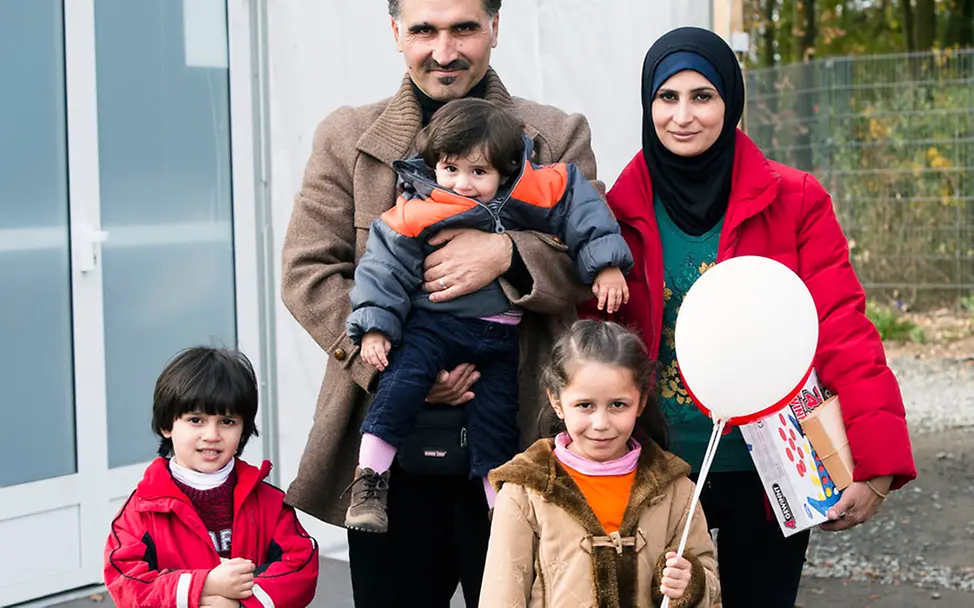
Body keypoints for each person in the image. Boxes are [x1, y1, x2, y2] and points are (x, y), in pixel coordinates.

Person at [580, 26, 917, 608]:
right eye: (667, 97)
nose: (683, 115)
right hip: (652, 467)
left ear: (731, 103)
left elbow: (841, 327)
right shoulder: (613, 214)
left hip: (771, 471)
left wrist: (877, 463)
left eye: (702, 96)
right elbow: (589, 348)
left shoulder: (796, 200)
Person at [281, 0, 603, 604]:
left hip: (519, 445)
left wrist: (505, 253)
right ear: (396, 32)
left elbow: (588, 262)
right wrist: (397, 364)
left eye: (464, 28)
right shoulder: (345, 138)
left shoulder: (557, 135)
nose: (444, 51)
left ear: (495, 28)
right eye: (424, 30)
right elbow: (308, 272)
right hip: (389, 459)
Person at [344, 98, 631, 533]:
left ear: (506, 169)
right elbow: (382, 269)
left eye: (479, 172)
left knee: (497, 421)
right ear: (434, 165)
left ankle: (500, 509)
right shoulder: (417, 209)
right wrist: (374, 328)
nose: (463, 184)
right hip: (432, 328)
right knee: (400, 388)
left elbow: (579, 204)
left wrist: (605, 263)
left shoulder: (525, 191)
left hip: (498, 338)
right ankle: (370, 478)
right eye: (451, 169)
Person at [480, 320, 720, 607]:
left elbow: (708, 581)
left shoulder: (675, 490)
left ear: (641, 401)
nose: (601, 423)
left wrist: (691, 583)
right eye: (585, 405)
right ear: (556, 401)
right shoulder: (524, 491)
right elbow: (501, 594)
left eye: (618, 405)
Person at [103, 347, 319, 608]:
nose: (212, 435)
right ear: (166, 425)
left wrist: (240, 603)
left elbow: (301, 564)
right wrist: (203, 586)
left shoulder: (269, 503)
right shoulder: (142, 510)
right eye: (196, 420)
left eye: (227, 422)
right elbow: (126, 581)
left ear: (243, 429)